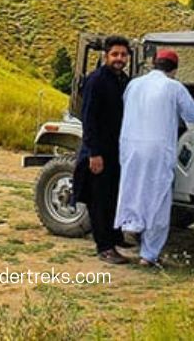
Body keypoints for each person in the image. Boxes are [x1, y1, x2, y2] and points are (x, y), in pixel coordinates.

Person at [116, 49, 194, 268]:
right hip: (157, 150)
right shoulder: (173, 87)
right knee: (158, 199)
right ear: (174, 69)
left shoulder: (134, 84)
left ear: (154, 64)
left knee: (133, 189)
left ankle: (131, 228)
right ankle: (149, 254)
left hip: (131, 146)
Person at [72, 35, 132, 265]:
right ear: (105, 56)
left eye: (123, 55)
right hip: (99, 151)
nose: (119, 58)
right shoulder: (96, 80)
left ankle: (115, 236)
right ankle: (104, 247)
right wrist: (94, 153)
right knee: (100, 199)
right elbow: (88, 118)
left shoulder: (123, 80)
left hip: (117, 150)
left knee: (114, 195)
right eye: (115, 54)